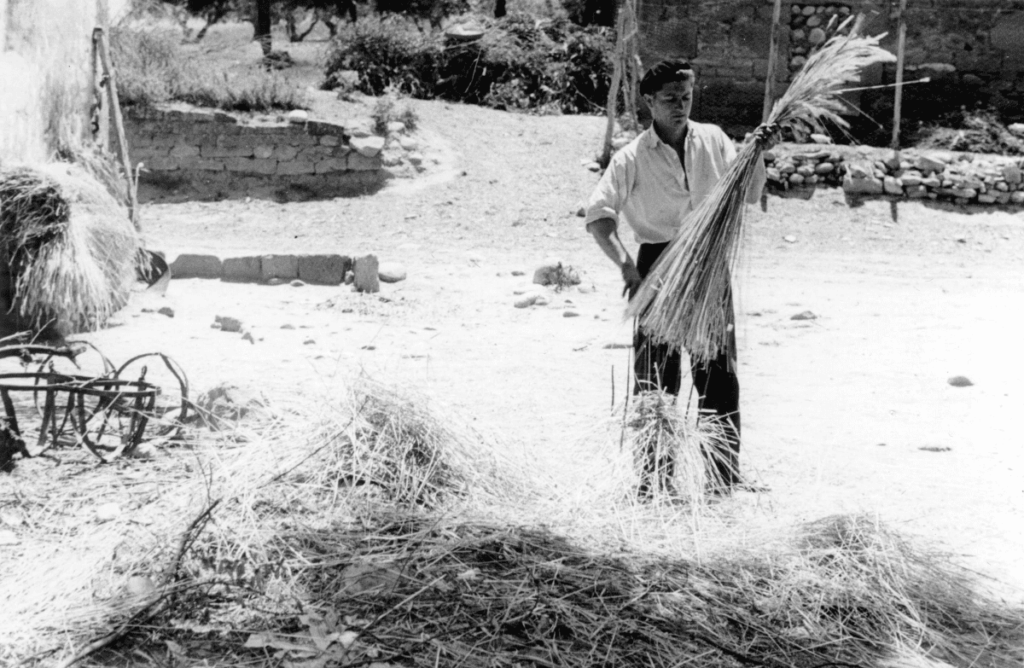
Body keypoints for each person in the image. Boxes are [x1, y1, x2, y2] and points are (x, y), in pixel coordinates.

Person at [584, 58, 773, 498]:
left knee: (719, 375)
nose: (680, 106)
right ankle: (653, 481)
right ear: (648, 101)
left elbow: (750, 193)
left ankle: (723, 480)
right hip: (659, 267)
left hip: (707, 264)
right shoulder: (631, 157)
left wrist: (756, 152)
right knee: (656, 379)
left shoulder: (714, 139)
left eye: (686, 97)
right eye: (669, 99)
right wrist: (628, 268)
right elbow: (598, 216)